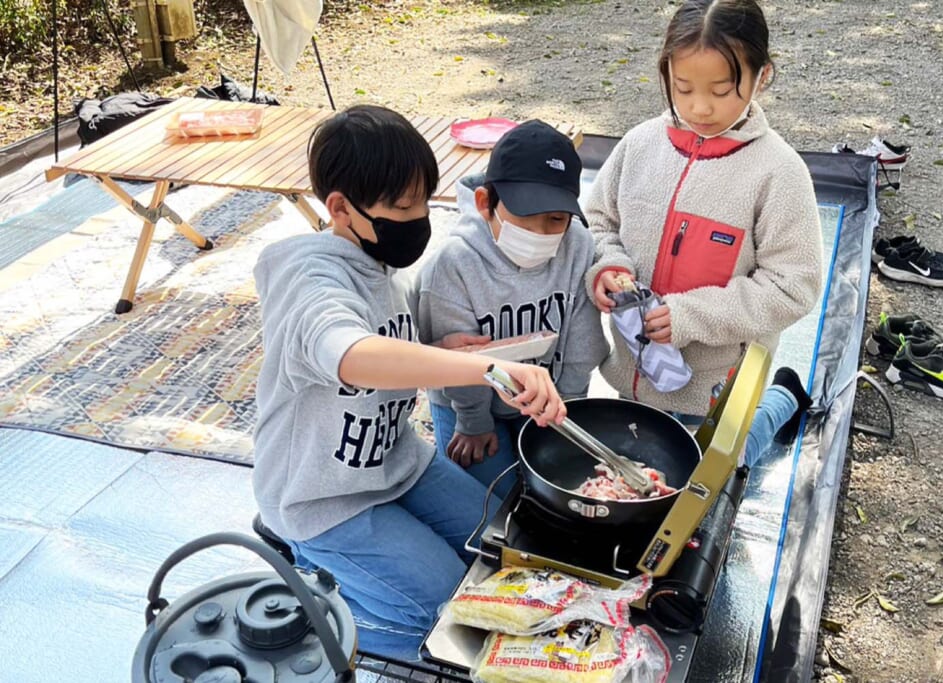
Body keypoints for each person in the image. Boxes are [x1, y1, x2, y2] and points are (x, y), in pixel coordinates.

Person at [251, 105, 567, 661]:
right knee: (453, 611)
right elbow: (349, 353)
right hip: (325, 499)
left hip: (398, 462)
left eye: (424, 201)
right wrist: (486, 369)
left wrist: (448, 352)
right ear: (340, 208)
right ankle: (319, 620)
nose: (420, 218)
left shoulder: (377, 266)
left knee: (506, 550)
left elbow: (395, 348)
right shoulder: (307, 278)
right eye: (403, 206)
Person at [585, 0, 823, 464]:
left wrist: (690, 316)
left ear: (762, 76)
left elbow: (794, 285)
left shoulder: (778, 172)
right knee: (630, 478)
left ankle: (783, 400)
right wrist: (608, 266)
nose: (700, 107)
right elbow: (596, 222)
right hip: (630, 375)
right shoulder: (639, 145)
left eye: (721, 89)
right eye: (683, 87)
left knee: (711, 475)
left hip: (711, 389)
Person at [415, 120, 609, 499]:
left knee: (559, 489)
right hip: (469, 402)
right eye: (525, 216)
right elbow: (457, 361)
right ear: (486, 204)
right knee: (496, 499)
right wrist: (473, 422)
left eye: (556, 219)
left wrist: (565, 412)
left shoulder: (578, 245)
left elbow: (583, 342)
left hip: (550, 400)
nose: (540, 233)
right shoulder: (453, 263)